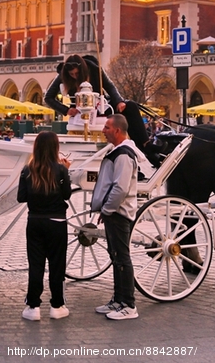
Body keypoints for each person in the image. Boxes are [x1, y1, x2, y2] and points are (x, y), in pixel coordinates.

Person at [17, 131, 72, 321]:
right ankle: (57, 305)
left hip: (35, 221)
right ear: (55, 148)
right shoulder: (61, 170)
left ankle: (33, 306)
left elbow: (21, 197)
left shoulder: (27, 170)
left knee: (36, 265)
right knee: (57, 265)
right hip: (57, 221)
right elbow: (66, 194)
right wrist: (66, 171)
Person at [44, 54, 149, 153]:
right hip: (79, 109)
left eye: (77, 73)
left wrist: (119, 101)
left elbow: (109, 86)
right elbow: (48, 97)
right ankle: (140, 147)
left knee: (130, 106)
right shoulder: (63, 74)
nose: (75, 76)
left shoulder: (95, 70)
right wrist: (66, 110)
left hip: (101, 104)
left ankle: (145, 144)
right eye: (72, 74)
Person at [91, 114, 139, 320]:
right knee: (116, 257)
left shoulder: (124, 155)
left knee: (122, 258)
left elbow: (120, 187)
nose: (103, 130)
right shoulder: (119, 152)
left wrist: (108, 209)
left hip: (119, 213)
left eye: (107, 127)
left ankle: (129, 304)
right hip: (114, 212)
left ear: (118, 131)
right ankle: (118, 300)